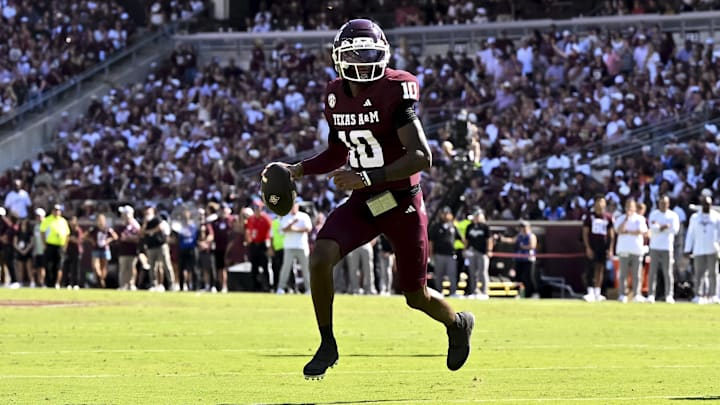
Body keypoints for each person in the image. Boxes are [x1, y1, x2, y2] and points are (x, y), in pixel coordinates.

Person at [272, 19, 474, 379]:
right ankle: (327, 343)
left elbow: (421, 157)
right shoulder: (334, 94)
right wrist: (298, 170)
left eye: (371, 54)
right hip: (365, 202)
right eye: (356, 54)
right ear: (339, 57)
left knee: (415, 295)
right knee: (321, 257)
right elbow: (337, 151)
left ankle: (457, 323)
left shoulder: (396, 89)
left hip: (402, 202)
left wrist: (364, 176)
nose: (364, 62)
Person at [684, 195, 720, 304]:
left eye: (708, 204)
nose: (707, 206)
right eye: (705, 204)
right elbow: (690, 233)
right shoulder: (695, 217)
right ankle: (698, 295)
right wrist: (687, 248)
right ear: (702, 204)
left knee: (713, 273)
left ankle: (713, 295)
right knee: (699, 273)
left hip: (712, 249)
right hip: (699, 249)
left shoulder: (716, 217)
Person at [647, 195, 680, 303]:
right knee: (652, 271)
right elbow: (652, 228)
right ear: (658, 204)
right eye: (661, 203)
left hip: (667, 247)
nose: (663, 205)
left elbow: (675, 229)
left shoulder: (673, 215)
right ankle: (651, 294)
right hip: (655, 246)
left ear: (668, 204)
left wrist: (660, 227)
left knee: (668, 272)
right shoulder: (654, 214)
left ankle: (669, 295)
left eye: (665, 203)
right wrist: (664, 226)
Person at [614, 199, 649, 303]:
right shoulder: (620, 218)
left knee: (636, 274)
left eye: (631, 206)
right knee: (623, 273)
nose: (629, 208)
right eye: (628, 206)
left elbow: (641, 231)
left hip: (636, 249)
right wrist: (626, 219)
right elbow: (619, 230)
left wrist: (628, 231)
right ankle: (622, 294)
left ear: (635, 207)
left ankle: (636, 294)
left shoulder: (640, 219)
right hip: (623, 249)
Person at [581, 195, 615, 302]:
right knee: (590, 268)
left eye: (602, 202)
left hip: (603, 246)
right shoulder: (589, 216)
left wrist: (610, 248)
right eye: (599, 202)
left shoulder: (608, 217)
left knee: (600, 269)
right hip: (593, 245)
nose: (600, 205)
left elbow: (611, 234)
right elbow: (585, 233)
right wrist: (588, 247)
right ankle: (590, 291)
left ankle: (597, 291)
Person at [276, 201, 312, 294]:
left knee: (306, 269)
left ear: (297, 206)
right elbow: (283, 230)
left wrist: (294, 229)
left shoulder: (304, 216)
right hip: (289, 246)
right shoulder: (285, 216)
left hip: (302, 246)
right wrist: (292, 224)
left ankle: (309, 289)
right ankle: (281, 288)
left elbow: (308, 228)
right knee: (286, 268)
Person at [429, 206, 462, 297]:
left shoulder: (453, 226)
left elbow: (461, 239)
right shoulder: (436, 226)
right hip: (439, 254)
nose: (445, 216)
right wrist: (430, 255)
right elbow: (431, 242)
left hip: (451, 254)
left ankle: (453, 292)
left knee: (452, 274)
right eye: (443, 214)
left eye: (447, 214)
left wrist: (464, 249)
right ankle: (439, 292)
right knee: (439, 275)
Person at [141, 206, 176, 292]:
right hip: (150, 247)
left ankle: (172, 284)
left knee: (166, 264)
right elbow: (141, 233)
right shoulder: (145, 222)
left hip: (161, 245)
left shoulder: (157, 219)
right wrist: (145, 224)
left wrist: (149, 231)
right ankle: (153, 284)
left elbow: (159, 228)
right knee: (152, 267)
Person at [464, 207, 493, 300]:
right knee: (472, 272)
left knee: (483, 272)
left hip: (482, 252)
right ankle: (474, 291)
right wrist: (465, 250)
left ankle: (484, 292)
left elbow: (489, 239)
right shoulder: (469, 227)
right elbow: (467, 240)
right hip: (471, 251)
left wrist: (489, 250)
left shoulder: (485, 227)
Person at [40, 204, 70, 289]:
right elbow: (42, 232)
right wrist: (44, 244)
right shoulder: (47, 220)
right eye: (55, 210)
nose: (56, 212)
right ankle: (49, 283)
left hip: (60, 246)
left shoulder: (63, 221)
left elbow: (67, 234)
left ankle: (57, 283)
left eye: (58, 210)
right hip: (50, 245)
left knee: (59, 265)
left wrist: (65, 246)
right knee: (49, 265)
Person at [245, 200, 272, 292]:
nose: (257, 210)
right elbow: (248, 231)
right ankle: (254, 287)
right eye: (255, 208)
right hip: (253, 244)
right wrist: (248, 240)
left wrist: (269, 246)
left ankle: (267, 286)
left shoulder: (266, 219)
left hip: (263, 244)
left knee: (265, 266)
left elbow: (270, 232)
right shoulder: (251, 219)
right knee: (254, 267)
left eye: (258, 208)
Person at [86, 214, 118, 288]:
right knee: (95, 266)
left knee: (104, 267)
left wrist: (108, 241)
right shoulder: (94, 229)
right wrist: (91, 241)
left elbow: (115, 236)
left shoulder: (107, 229)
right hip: (96, 249)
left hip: (105, 249)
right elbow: (85, 236)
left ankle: (101, 280)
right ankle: (100, 278)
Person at [116, 205, 140, 291]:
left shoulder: (135, 225)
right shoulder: (121, 226)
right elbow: (119, 237)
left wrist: (128, 238)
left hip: (132, 251)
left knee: (132, 268)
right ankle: (123, 285)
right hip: (123, 251)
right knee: (123, 269)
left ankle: (131, 284)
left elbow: (139, 238)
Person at [64, 216, 84, 289]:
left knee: (76, 269)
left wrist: (72, 239)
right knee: (67, 268)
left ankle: (76, 284)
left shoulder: (78, 230)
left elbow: (79, 241)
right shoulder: (67, 230)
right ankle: (67, 283)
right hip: (68, 251)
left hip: (76, 251)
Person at [13, 218, 33, 287]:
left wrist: (26, 250)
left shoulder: (29, 232)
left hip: (27, 252)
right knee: (20, 269)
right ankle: (20, 282)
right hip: (20, 252)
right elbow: (15, 243)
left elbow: (31, 242)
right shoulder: (18, 232)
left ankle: (32, 282)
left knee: (29, 268)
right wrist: (21, 251)